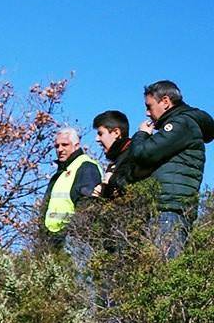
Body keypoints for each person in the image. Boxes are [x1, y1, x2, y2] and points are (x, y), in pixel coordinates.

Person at [128, 80, 214, 259]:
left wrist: (142, 134)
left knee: (163, 269)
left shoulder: (181, 125)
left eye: (149, 106)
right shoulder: (182, 126)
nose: (147, 112)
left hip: (169, 209)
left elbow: (142, 154)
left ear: (165, 101)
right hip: (169, 208)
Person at [42, 128, 102, 249]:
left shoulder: (86, 167)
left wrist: (72, 233)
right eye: (57, 146)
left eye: (65, 145)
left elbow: (88, 205)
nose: (60, 149)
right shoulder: (62, 172)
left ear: (76, 145)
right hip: (53, 239)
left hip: (73, 240)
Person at [91, 110, 133, 199]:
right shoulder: (116, 160)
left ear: (116, 133)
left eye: (100, 134)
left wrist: (111, 181)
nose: (97, 139)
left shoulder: (133, 155)